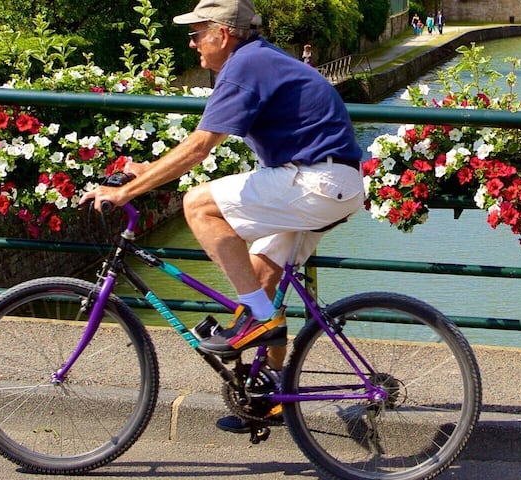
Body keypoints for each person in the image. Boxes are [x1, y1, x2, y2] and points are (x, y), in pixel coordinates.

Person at [82, 0, 366, 433]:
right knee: (261, 281)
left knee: (199, 205)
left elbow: (200, 148)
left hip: (315, 180)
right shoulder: (257, 60)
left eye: (197, 33)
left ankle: (256, 320)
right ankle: (268, 395)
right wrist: (147, 173)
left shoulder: (244, 65)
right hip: (329, 181)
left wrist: (124, 192)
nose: (192, 42)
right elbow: (198, 146)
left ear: (223, 33)